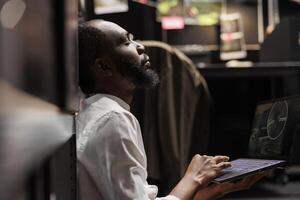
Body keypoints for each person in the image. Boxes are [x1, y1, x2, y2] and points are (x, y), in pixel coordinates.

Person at [77, 20, 265, 200]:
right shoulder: (113, 119)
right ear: (104, 66)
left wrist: (209, 192)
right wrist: (193, 178)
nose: (141, 47)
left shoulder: (95, 112)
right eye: (126, 42)